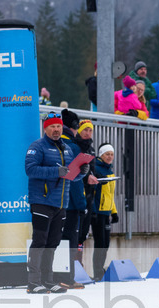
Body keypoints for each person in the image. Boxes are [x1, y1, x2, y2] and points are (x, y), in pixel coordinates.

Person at [23, 114, 88, 294]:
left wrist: (82, 171)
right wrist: (55, 171)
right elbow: (30, 169)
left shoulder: (66, 148)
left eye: (59, 127)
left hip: (60, 203)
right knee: (40, 241)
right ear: (45, 128)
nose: (56, 130)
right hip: (41, 201)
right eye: (52, 127)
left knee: (53, 242)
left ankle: (48, 280)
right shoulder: (37, 146)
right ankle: (33, 282)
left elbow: (70, 175)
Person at [57, 112, 98, 288]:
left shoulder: (56, 144)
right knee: (70, 240)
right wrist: (82, 204)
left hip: (55, 200)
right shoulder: (72, 147)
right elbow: (73, 179)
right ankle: (66, 278)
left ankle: (55, 276)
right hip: (71, 203)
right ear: (74, 127)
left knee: (57, 239)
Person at [87, 143, 118, 281]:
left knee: (105, 244)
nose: (109, 157)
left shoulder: (110, 170)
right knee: (100, 243)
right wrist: (92, 211)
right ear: (101, 155)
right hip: (97, 212)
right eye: (107, 154)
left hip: (106, 212)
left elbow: (110, 195)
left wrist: (114, 211)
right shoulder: (96, 169)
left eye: (111, 154)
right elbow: (93, 193)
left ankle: (101, 269)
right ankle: (98, 272)